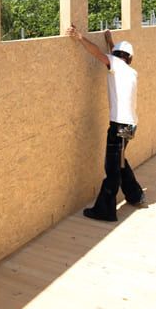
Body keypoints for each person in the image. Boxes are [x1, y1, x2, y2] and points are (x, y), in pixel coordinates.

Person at [65, 26, 147, 222]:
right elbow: (114, 55)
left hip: (119, 126)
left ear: (117, 57)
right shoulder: (130, 71)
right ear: (130, 58)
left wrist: (80, 38)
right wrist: (111, 40)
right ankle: (135, 195)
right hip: (130, 126)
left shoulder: (115, 65)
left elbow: (99, 54)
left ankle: (105, 210)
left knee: (112, 168)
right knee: (119, 161)